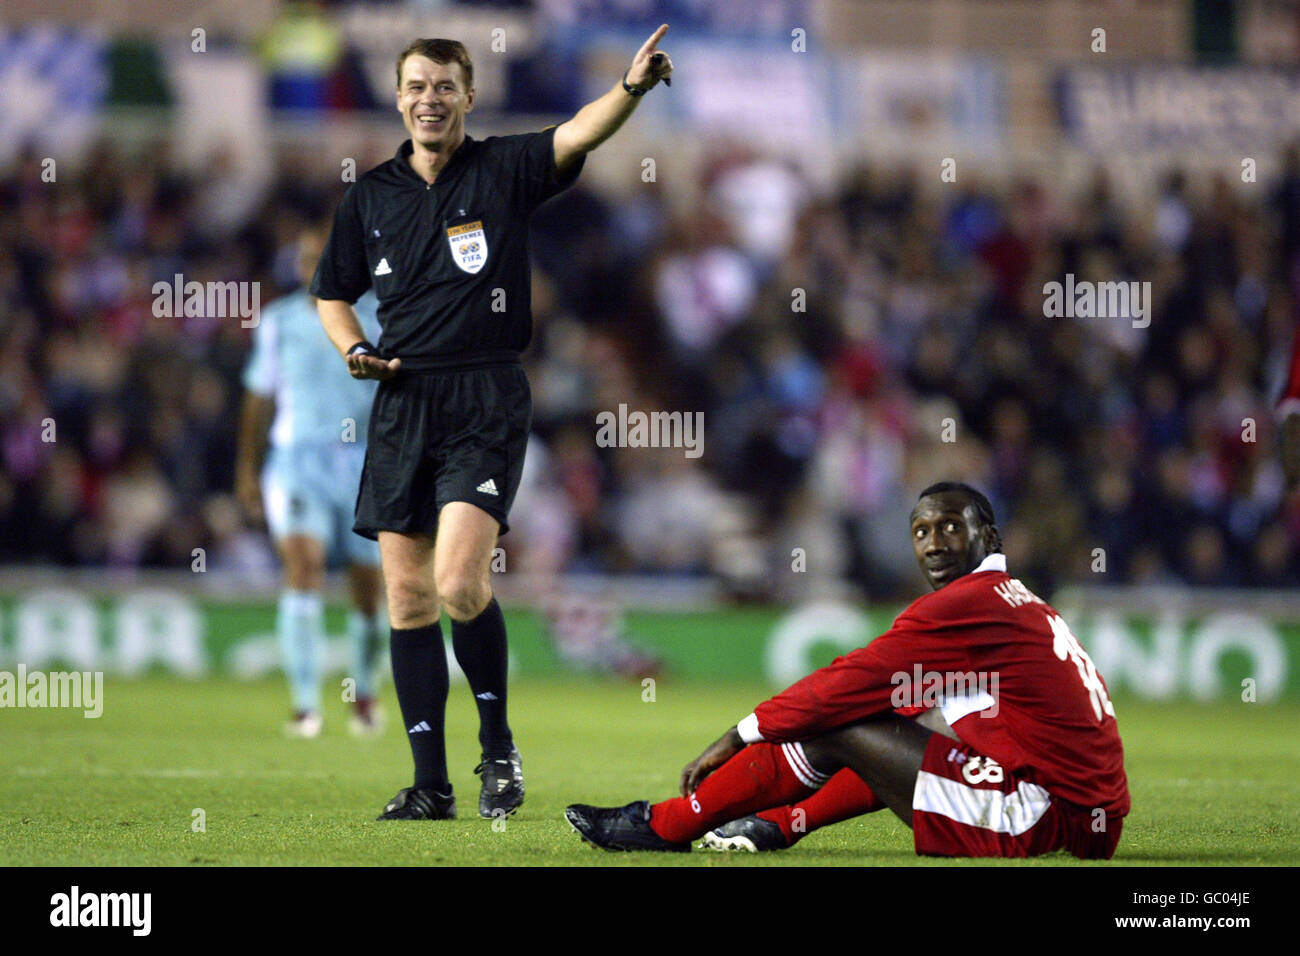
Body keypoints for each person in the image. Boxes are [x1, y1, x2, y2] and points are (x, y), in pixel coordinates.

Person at [311, 29, 675, 820]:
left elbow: (580, 129)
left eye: (445, 85)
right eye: (416, 85)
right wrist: (353, 349)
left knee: (457, 582)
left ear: (468, 97)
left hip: (484, 398)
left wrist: (632, 87)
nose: (429, 98)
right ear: (398, 96)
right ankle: (429, 786)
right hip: (402, 401)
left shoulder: (503, 169)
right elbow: (330, 291)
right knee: (406, 599)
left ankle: (498, 746)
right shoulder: (369, 194)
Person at [565, 482, 1130, 858]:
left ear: (990, 538)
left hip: (1041, 814)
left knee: (842, 718)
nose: (933, 545)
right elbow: (898, 725)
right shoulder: (1014, 599)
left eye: (950, 528)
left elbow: (847, 683)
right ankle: (780, 824)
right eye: (921, 531)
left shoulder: (968, 604)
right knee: (912, 716)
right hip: (1085, 818)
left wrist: (738, 734)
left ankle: (667, 825)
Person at [236, 225, 386, 739]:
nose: (311, 267)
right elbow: (258, 398)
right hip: (297, 463)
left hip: (364, 463)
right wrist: (246, 470)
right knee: (304, 569)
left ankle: (363, 695)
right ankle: (305, 705)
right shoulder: (277, 322)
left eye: (320, 258)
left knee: (369, 592)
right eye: (304, 259)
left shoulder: (377, 318)